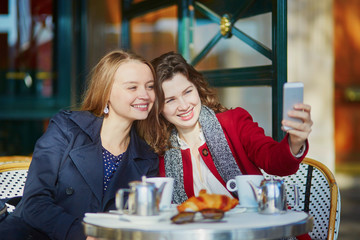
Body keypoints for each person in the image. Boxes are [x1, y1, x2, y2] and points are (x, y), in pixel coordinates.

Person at [0, 50, 159, 240]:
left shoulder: (147, 157)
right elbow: (35, 203)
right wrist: (84, 235)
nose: (145, 95)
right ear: (106, 91)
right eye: (132, 87)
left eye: (150, 86)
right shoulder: (66, 128)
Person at [141, 51, 313, 205]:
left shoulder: (234, 122)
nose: (184, 105)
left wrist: (295, 141)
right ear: (158, 108)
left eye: (187, 92)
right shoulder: (160, 152)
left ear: (197, 89)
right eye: (170, 100)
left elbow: (276, 163)